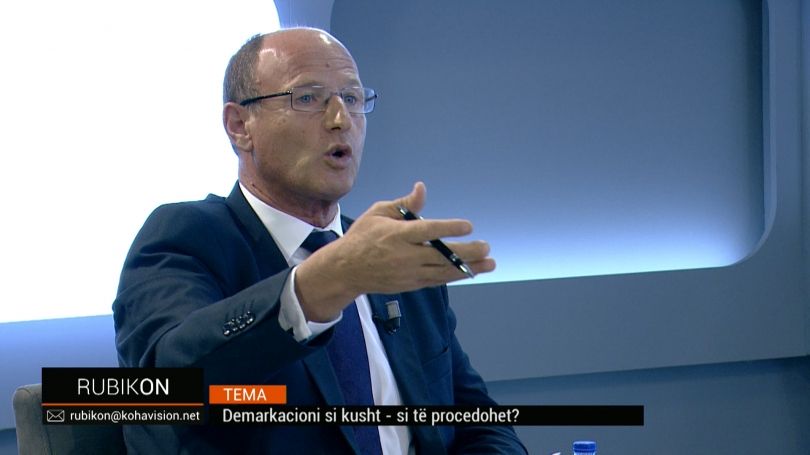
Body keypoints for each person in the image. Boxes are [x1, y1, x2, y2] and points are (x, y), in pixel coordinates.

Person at [113, 27, 526, 454]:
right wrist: (329, 279)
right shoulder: (188, 237)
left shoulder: (389, 259)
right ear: (239, 126)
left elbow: (481, 426)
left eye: (351, 98)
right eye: (307, 98)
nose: (340, 119)